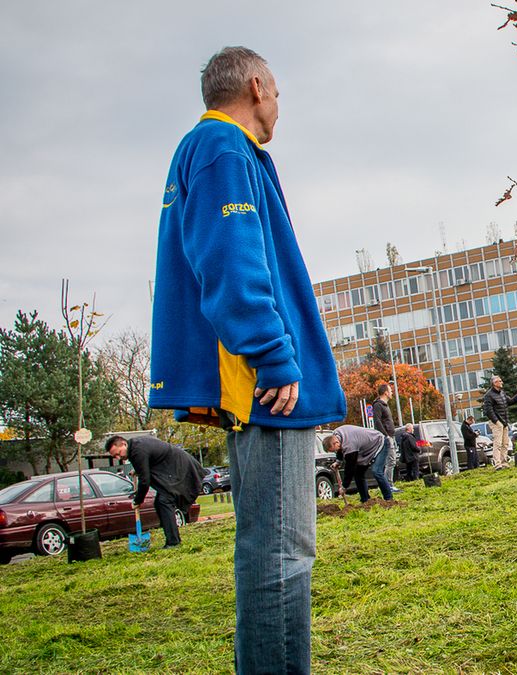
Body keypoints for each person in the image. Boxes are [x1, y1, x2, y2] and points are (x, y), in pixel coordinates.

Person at [147, 46, 346, 674]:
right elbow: (232, 263)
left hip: (255, 380)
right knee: (282, 553)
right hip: (266, 386)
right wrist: (275, 356)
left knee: (270, 549)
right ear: (257, 86)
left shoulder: (209, 151)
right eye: (279, 93)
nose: (279, 107)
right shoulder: (225, 148)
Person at [105, 436, 203, 548]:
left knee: (164, 502)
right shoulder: (135, 446)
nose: (119, 457)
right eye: (115, 456)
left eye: (118, 453)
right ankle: (172, 539)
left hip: (181, 469)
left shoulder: (137, 450)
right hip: (175, 469)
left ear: (123, 443)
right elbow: (150, 461)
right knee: (160, 503)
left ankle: (173, 542)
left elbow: (145, 480)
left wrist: (138, 500)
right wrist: (138, 470)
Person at [323, 425, 392, 502]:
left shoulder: (349, 445)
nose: (335, 452)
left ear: (336, 443)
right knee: (358, 474)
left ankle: (388, 499)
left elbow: (350, 468)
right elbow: (339, 450)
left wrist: (344, 487)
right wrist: (338, 461)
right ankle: (365, 500)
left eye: (334, 450)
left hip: (380, 442)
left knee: (376, 471)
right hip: (365, 449)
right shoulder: (336, 434)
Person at [482, 375, 517, 469]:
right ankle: (497, 463)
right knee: (498, 443)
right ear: (494, 383)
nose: (502, 382)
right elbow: (488, 410)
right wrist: (496, 421)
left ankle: (504, 462)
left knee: (505, 443)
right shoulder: (488, 395)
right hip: (497, 422)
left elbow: (510, 401)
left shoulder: (502, 393)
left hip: (504, 421)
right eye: (500, 381)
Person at [372, 383, 398, 488]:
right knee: (390, 461)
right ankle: (389, 485)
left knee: (392, 460)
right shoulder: (378, 405)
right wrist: (386, 435)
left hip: (391, 435)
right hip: (386, 437)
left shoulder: (385, 406)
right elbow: (377, 421)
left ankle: (389, 484)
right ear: (386, 393)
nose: (392, 392)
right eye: (390, 390)